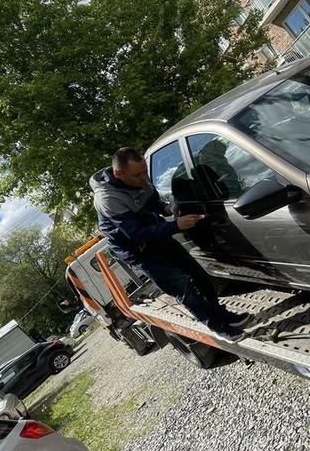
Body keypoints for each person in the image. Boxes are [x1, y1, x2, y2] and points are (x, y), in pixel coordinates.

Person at [90, 147, 249, 343]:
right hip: (139, 251)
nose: (144, 178)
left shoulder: (137, 177)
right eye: (138, 175)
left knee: (199, 275)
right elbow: (136, 234)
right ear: (118, 174)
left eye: (145, 172)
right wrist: (176, 226)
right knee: (182, 286)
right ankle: (217, 327)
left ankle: (221, 314)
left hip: (158, 236)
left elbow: (152, 202)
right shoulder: (108, 199)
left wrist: (166, 207)